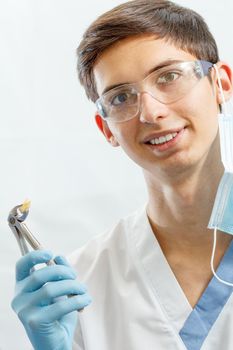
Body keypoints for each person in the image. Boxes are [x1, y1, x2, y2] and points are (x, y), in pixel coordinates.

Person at [11, 1, 233, 349]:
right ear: (107, 129)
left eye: (169, 76)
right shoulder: (79, 287)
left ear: (221, 83)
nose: (151, 112)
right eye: (121, 98)